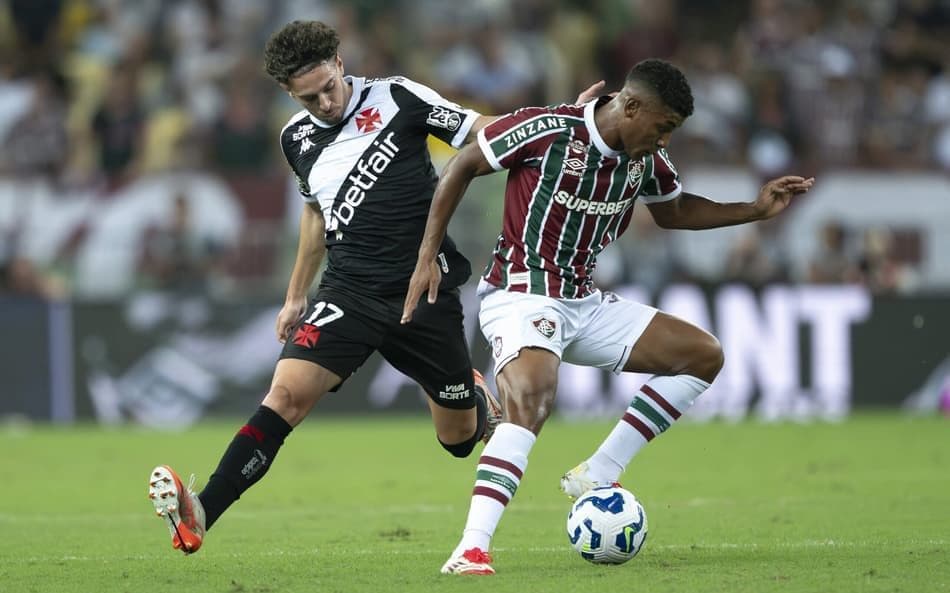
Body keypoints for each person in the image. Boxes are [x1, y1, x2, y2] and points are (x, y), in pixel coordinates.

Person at [147, 19, 601, 556]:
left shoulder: (399, 98)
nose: (325, 103)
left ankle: (472, 398)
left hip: (421, 291)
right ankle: (201, 511)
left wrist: (566, 120)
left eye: (329, 88)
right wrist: (297, 294)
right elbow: (315, 216)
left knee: (458, 439)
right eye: (308, 98)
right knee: (286, 396)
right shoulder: (295, 138)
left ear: (340, 62)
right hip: (347, 293)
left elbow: (483, 130)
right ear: (288, 94)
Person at [400, 59, 815, 575]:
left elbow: (675, 211)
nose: (664, 141)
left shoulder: (646, 161)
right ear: (631, 105)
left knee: (702, 355)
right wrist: (425, 257)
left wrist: (753, 210)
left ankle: (600, 472)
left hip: (584, 301)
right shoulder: (548, 129)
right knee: (532, 398)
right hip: (522, 294)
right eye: (662, 128)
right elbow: (461, 164)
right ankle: (471, 548)